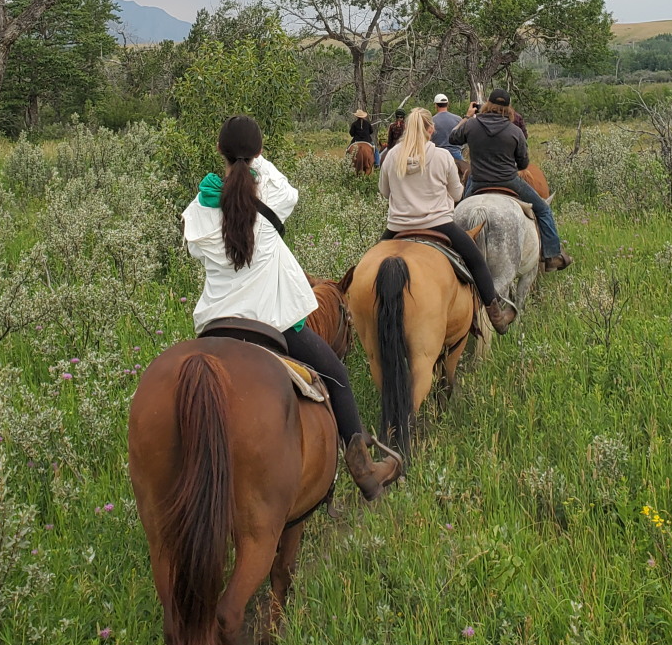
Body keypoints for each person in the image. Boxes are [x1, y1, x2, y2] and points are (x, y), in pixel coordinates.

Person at [183, 115, 402, 500]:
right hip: (272, 325)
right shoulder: (273, 199)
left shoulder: (197, 211)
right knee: (336, 376)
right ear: (258, 153)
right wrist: (256, 163)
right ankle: (365, 472)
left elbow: (196, 249)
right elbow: (285, 189)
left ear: (219, 151)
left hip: (215, 328)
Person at [377, 109, 517, 333]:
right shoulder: (442, 156)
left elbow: (384, 192)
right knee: (476, 261)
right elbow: (457, 194)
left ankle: (352, 310)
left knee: (366, 266)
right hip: (439, 225)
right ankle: (496, 317)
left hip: (397, 227)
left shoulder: (392, 156)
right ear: (431, 130)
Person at [450, 88, 571, 271]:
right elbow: (523, 164)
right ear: (508, 108)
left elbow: (453, 138)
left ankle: (450, 253)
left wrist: (467, 117)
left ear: (487, 105)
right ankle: (552, 255)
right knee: (543, 210)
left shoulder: (471, 125)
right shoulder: (515, 131)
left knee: (458, 213)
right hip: (508, 181)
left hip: (478, 182)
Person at [429, 94, 467, 178]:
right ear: (448, 104)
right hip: (456, 153)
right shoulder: (458, 119)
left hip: (438, 155)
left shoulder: (431, 121)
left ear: (436, 105)